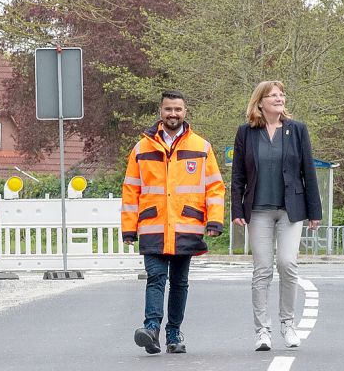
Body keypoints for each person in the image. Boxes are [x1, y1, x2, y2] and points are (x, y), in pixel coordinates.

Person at [121, 90, 225, 355]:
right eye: (168, 109)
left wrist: (214, 220)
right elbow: (131, 189)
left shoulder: (201, 147)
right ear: (160, 112)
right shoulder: (141, 148)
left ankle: (174, 332)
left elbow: (214, 187)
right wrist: (129, 228)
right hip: (153, 226)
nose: (173, 114)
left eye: (177, 109)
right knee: (155, 277)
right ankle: (151, 328)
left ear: (185, 112)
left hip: (185, 226)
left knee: (179, 282)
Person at [232, 80, 322, 352]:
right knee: (262, 270)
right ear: (260, 102)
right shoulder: (246, 133)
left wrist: (314, 211)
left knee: (287, 264)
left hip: (290, 210)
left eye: (281, 94)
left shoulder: (297, 131)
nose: (279, 98)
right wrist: (236, 209)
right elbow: (237, 175)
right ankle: (262, 331)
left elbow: (308, 170)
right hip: (258, 210)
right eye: (273, 95)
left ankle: (287, 324)